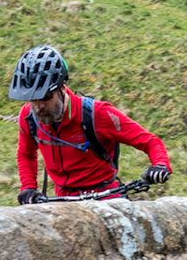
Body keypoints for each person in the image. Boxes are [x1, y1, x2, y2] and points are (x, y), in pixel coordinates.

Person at [10, 45, 172, 204]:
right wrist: (28, 188)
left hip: (106, 199)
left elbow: (150, 141)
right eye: (32, 99)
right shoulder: (28, 117)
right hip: (62, 201)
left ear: (61, 88)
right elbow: (26, 153)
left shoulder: (96, 114)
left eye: (45, 97)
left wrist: (160, 165)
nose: (39, 107)